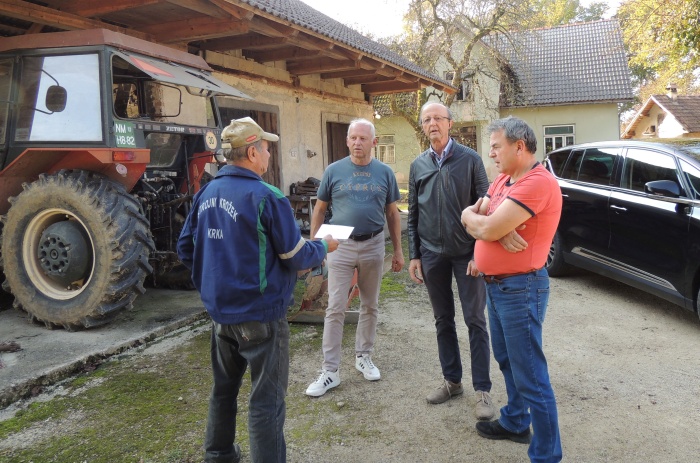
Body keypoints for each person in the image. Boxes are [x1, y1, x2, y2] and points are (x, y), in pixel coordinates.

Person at [177, 116, 339, 463]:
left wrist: (212, 285)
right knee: (266, 401)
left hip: (221, 316)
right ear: (251, 152)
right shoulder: (267, 196)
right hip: (261, 317)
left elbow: (185, 248)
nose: (269, 154)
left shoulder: (207, 192)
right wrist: (324, 246)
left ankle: (218, 455)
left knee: (223, 390)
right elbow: (296, 256)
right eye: (266, 148)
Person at [461, 116, 563, 462]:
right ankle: (517, 422)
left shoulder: (537, 182)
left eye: (495, 147)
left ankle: (547, 456)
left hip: (521, 289)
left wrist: (488, 228)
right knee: (507, 361)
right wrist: (485, 226)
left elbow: (484, 223)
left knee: (532, 375)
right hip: (499, 287)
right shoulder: (506, 178)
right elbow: (478, 215)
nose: (491, 154)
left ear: (519, 147)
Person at [407, 101, 495, 420]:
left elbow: (486, 207)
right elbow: (414, 215)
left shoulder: (470, 160)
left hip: (467, 255)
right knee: (443, 319)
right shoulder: (418, 165)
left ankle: (482, 390)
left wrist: (480, 252)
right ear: (424, 126)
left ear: (450, 123)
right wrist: (415, 254)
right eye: (427, 119)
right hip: (432, 254)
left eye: (438, 118)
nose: (433, 124)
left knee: (475, 319)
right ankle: (452, 381)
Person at [305, 118, 405, 397]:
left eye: (364, 138)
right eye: (353, 138)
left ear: (374, 142)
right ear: (347, 141)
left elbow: (393, 214)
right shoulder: (333, 171)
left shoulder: (384, 172)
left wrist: (397, 250)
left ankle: (363, 356)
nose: (358, 143)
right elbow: (320, 209)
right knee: (335, 307)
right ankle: (330, 371)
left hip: (373, 244)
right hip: (340, 245)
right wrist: (316, 247)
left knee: (370, 305)